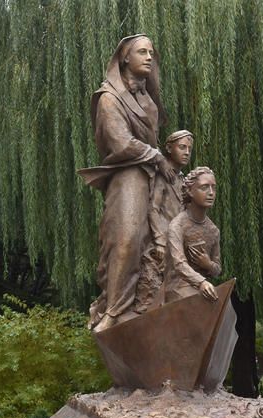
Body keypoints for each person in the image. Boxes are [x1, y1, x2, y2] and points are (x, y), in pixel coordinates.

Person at [77, 34, 173, 332]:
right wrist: (156, 156)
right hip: (127, 176)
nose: (148, 57)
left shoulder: (149, 101)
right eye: (141, 52)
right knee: (126, 240)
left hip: (153, 178)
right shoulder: (109, 98)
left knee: (165, 241)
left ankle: (155, 304)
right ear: (124, 58)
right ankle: (114, 311)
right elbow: (119, 142)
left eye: (151, 53)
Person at [135, 129, 194, 310]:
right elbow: (153, 209)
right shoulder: (162, 175)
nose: (186, 152)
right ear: (169, 148)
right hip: (163, 242)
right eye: (182, 147)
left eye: (189, 149)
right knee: (154, 292)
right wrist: (160, 241)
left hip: (177, 242)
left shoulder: (183, 179)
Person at [163, 166, 221, 303]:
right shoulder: (177, 226)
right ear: (190, 191)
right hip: (178, 287)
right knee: (200, 302)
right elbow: (179, 264)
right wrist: (201, 282)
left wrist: (208, 264)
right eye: (204, 187)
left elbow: (217, 269)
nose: (211, 192)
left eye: (213, 187)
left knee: (224, 305)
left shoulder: (213, 230)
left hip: (203, 287)